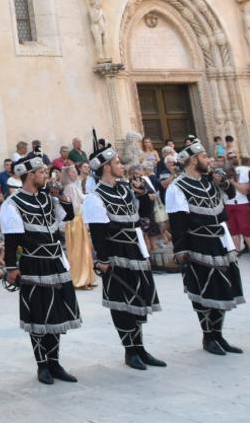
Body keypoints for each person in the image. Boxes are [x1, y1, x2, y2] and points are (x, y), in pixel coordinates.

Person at [82, 138, 163, 370]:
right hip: (116, 254)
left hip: (134, 251)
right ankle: (130, 350)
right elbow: (98, 233)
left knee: (138, 298)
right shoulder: (95, 197)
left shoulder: (125, 190)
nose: (121, 165)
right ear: (106, 167)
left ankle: (140, 348)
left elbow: (135, 222)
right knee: (122, 302)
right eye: (117, 162)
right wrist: (104, 260)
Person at [1, 150, 82, 384]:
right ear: (29, 175)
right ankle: (42, 365)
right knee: (38, 314)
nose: (46, 175)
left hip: (55, 261)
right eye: (41, 172)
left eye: (46, 171)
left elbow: (67, 216)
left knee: (56, 313)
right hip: (33, 262)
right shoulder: (13, 203)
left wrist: (62, 197)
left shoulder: (47, 198)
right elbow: (12, 240)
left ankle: (55, 362)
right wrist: (11, 267)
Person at [164, 138, 244, 354]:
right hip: (197, 243)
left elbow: (231, 195)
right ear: (192, 160)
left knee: (223, 287)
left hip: (219, 240)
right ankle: (208, 337)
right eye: (203, 157)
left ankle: (218, 335)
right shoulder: (177, 187)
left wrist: (224, 182)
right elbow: (177, 221)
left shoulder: (208, 182)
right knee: (204, 289)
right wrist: (180, 249)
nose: (208, 160)